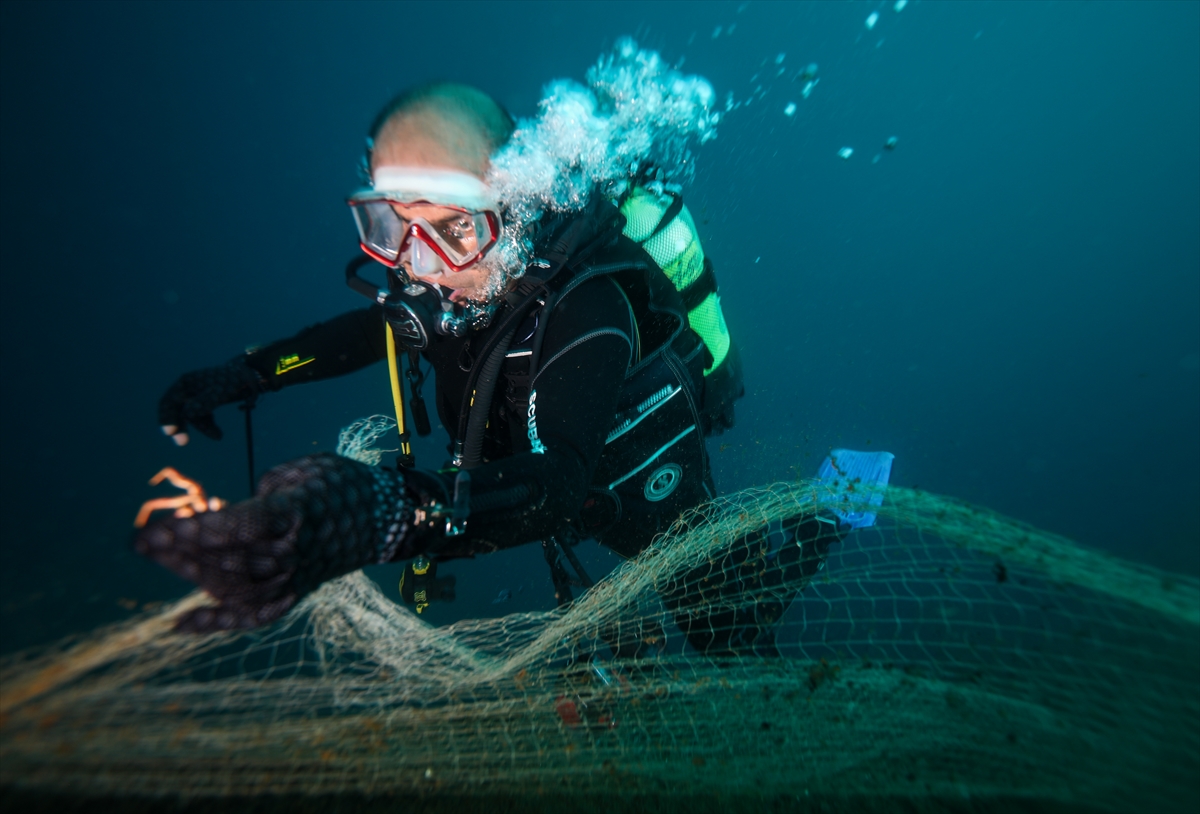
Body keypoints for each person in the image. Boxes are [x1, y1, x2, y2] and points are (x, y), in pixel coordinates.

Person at [138, 82, 844, 658]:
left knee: (726, 627)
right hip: (543, 485)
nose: (421, 267)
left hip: (635, 476)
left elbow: (561, 483)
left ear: (512, 208)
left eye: (454, 231)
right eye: (393, 230)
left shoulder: (590, 307)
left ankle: (829, 516)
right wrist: (249, 372)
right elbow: (366, 334)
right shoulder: (453, 289)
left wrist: (387, 515)